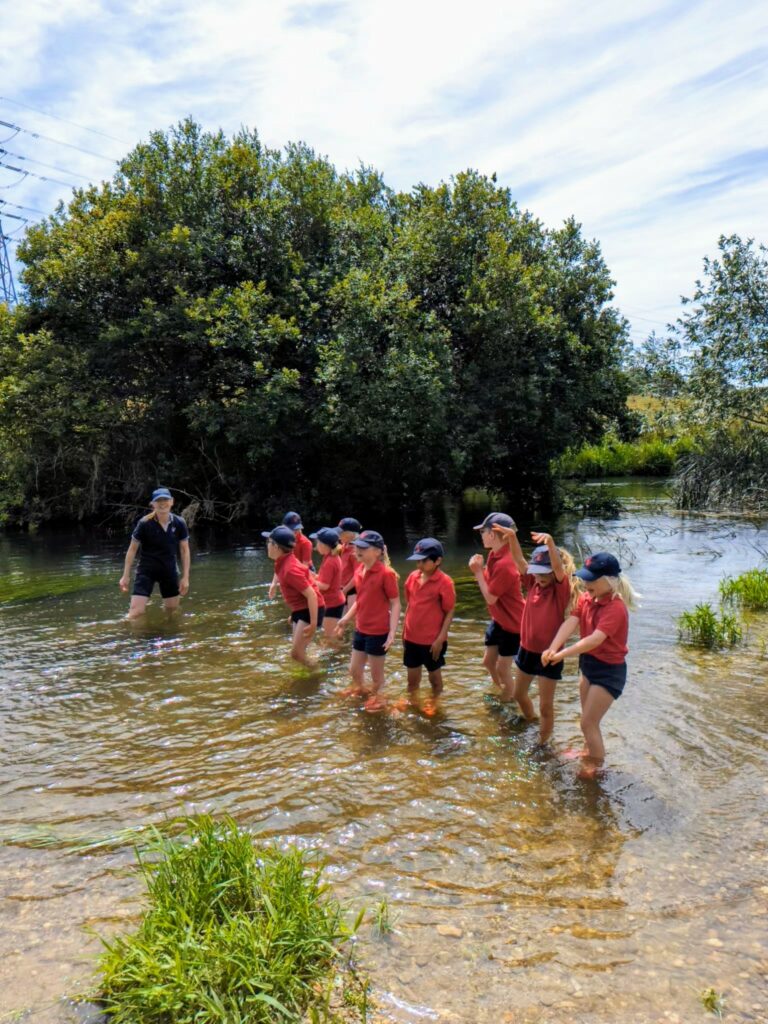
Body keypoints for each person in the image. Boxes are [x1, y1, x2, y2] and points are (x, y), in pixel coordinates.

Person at [541, 552, 640, 776]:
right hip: (589, 665)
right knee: (587, 717)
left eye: (592, 580)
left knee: (588, 722)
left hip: (609, 672)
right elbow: (572, 621)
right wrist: (553, 647)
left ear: (609, 581)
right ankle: (588, 752)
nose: (586, 584)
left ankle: (596, 767)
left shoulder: (615, 608)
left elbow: (595, 639)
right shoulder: (587, 598)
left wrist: (562, 654)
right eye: (585, 579)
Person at [509, 532, 578, 745]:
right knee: (518, 695)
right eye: (536, 572)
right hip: (527, 650)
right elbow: (519, 561)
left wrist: (550, 542)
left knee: (546, 706)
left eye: (544, 573)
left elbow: (558, 569)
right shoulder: (532, 584)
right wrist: (512, 537)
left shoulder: (560, 590)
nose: (539, 577)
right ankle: (530, 719)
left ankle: (542, 743)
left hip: (550, 655)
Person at [334, 530, 400, 712]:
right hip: (361, 628)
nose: (359, 550)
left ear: (378, 552)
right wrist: (345, 619)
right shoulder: (359, 570)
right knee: (354, 670)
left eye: (364, 548)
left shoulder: (387, 574)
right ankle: (361, 689)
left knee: (376, 675)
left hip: (378, 631)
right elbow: (360, 601)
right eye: (358, 547)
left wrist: (392, 632)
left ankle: (379, 697)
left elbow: (395, 604)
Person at [468, 512, 527, 705]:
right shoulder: (494, 555)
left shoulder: (505, 564)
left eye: (483, 532)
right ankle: (502, 687)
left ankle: (508, 699)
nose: (481, 535)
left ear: (493, 534)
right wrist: (481, 570)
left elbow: (491, 598)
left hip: (513, 624)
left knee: (503, 668)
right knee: (487, 662)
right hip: (499, 620)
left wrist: (477, 572)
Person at [401, 537, 455, 712]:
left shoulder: (444, 582)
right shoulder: (412, 578)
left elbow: (449, 612)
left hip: (432, 641)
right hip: (411, 638)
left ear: (437, 561)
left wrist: (440, 639)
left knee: (435, 678)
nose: (419, 565)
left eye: (424, 561)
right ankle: (412, 702)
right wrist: (404, 631)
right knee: (412, 679)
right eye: (417, 560)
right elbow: (410, 604)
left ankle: (434, 700)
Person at [119, 487, 190, 619]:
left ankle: (170, 638)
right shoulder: (144, 523)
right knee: (135, 613)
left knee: (172, 612)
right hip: (146, 570)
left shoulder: (179, 523)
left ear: (172, 502)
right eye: (158, 501)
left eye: (165, 500)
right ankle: (136, 638)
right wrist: (125, 576)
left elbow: (185, 550)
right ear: (152, 504)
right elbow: (132, 549)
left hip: (169, 570)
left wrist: (185, 577)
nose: (162, 503)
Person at [262, 525, 325, 666]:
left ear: (276, 547)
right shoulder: (283, 561)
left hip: (310, 610)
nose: (267, 545)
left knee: (296, 654)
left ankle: (318, 673)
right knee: (298, 652)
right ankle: (310, 674)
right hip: (301, 609)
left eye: (268, 542)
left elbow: (312, 595)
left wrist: (314, 623)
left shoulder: (290, 569)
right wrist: (295, 613)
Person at [268, 511, 313, 606]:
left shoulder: (306, 543)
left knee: (304, 598)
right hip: (290, 568)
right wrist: (274, 584)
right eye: (293, 529)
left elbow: (304, 567)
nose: (296, 531)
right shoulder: (282, 540)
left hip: (304, 570)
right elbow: (279, 563)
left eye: (297, 529)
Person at [310, 527, 345, 639]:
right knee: (331, 635)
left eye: (317, 542)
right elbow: (325, 579)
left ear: (325, 545)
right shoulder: (330, 556)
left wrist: (309, 580)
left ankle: (341, 653)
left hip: (332, 603)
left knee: (330, 638)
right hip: (334, 601)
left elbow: (325, 586)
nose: (315, 545)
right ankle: (342, 651)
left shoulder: (330, 561)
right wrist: (313, 575)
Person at [337, 517, 362, 610]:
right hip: (343, 588)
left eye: (341, 533)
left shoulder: (355, 551)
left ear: (350, 534)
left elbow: (358, 574)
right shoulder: (344, 546)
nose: (338, 535)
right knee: (340, 620)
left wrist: (345, 590)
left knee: (353, 620)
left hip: (352, 590)